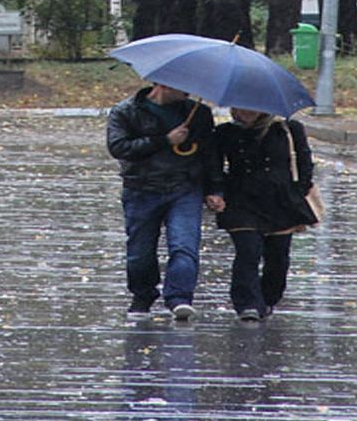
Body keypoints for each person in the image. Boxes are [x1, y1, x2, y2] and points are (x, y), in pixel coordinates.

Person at [107, 83, 222, 321]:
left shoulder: (198, 113)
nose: (188, 91)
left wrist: (215, 188)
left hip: (185, 188)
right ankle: (142, 295)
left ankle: (180, 298)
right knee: (140, 251)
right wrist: (164, 140)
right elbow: (119, 147)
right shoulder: (125, 111)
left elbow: (210, 153)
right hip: (141, 189)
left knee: (184, 244)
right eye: (182, 86)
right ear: (163, 85)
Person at [211, 108, 317, 321]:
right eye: (240, 107)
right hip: (241, 200)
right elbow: (212, 165)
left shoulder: (288, 129)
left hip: (281, 202)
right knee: (248, 251)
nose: (246, 112)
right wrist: (215, 191)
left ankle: (268, 299)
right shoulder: (224, 132)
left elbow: (304, 162)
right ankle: (247, 303)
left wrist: (297, 192)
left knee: (278, 257)